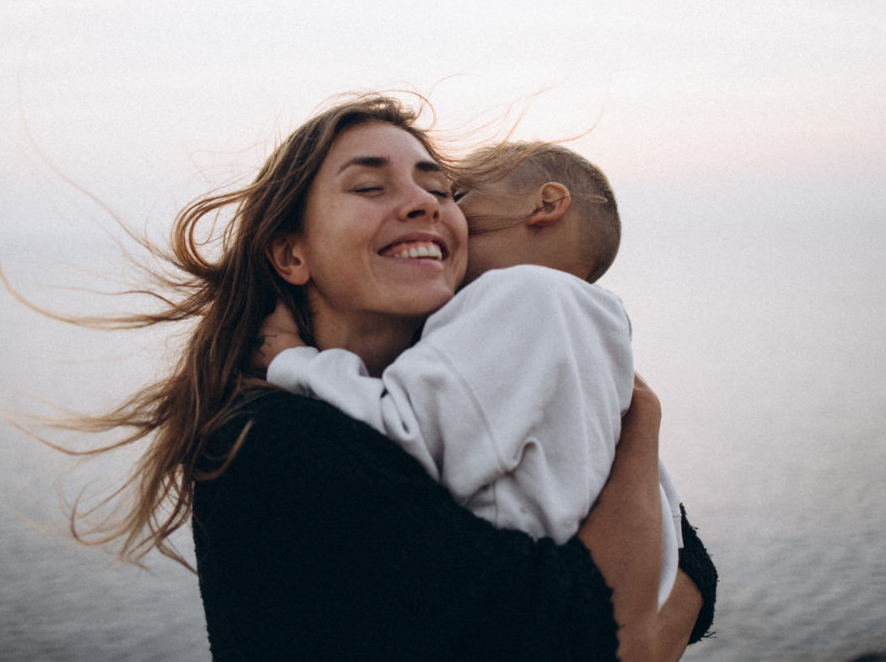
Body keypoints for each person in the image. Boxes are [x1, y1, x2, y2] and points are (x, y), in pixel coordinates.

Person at [40, 93, 715, 659]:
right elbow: (604, 631)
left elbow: (693, 573)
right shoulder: (272, 446)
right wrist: (640, 432)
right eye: (370, 186)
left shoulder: (477, 369)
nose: (425, 202)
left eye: (442, 188)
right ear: (292, 253)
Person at [255, 142, 688, 610]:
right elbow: (668, 532)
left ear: (546, 205)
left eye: (453, 194)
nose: (439, 211)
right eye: (369, 188)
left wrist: (290, 359)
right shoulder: (597, 336)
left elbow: (398, 436)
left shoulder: (523, 292)